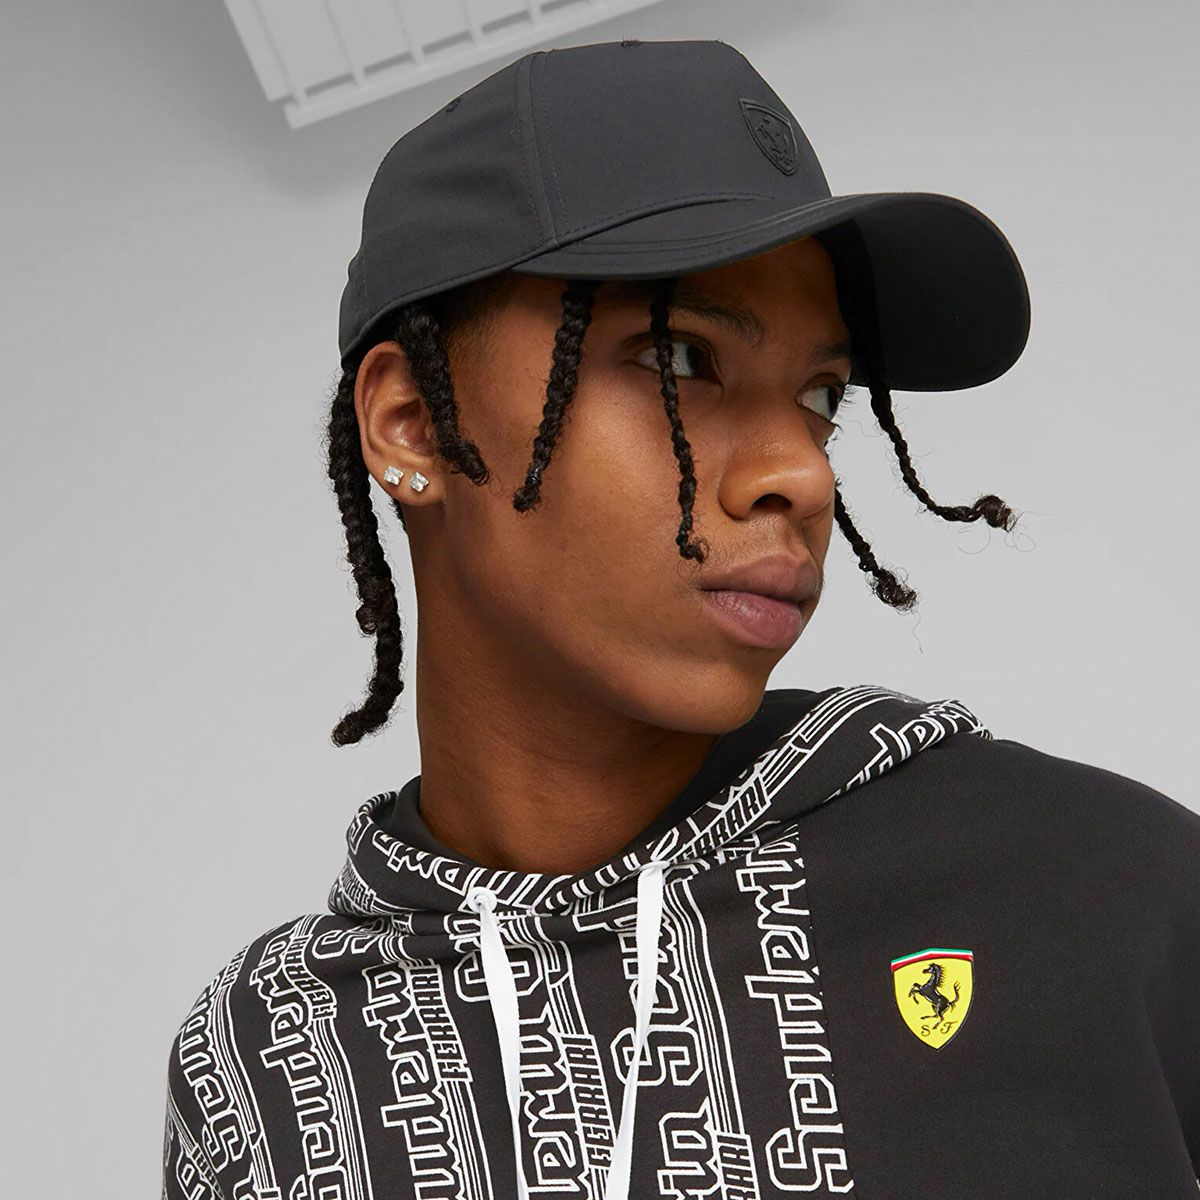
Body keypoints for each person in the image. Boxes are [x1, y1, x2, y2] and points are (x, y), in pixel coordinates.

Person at [160, 39, 1200, 1200]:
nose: (802, 472)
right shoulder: (267, 1064)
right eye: (678, 359)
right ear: (412, 424)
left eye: (821, 397)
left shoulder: (1092, 887)